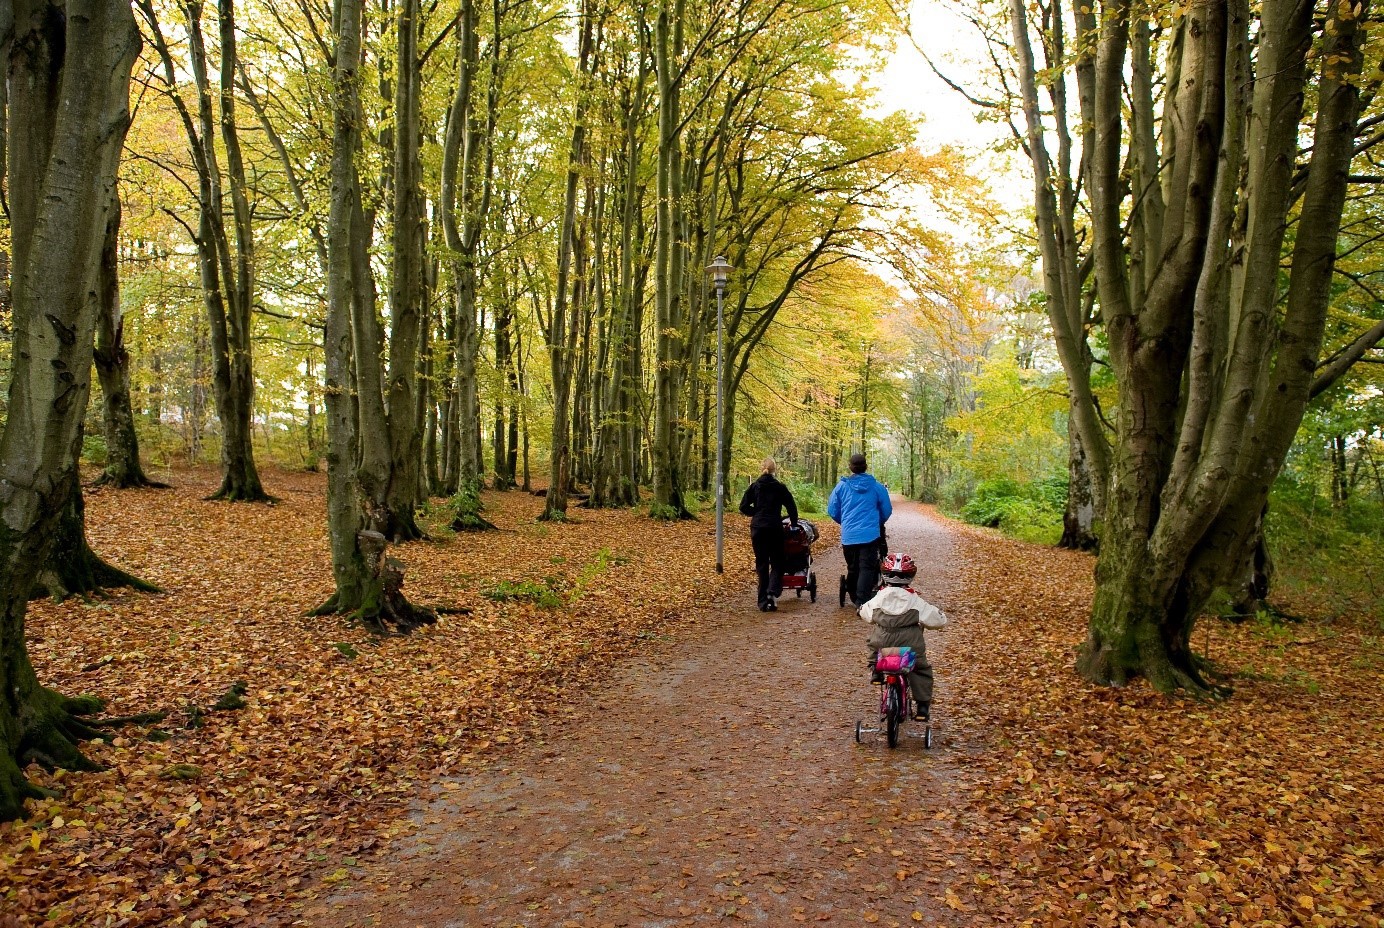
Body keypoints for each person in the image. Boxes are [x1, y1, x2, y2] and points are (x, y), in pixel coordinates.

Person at [859, 553, 947, 719]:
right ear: (911, 576)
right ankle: (922, 706)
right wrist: (941, 618)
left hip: (882, 643)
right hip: (910, 645)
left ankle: (876, 670)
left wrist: (861, 611)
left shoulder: (879, 597)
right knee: (920, 669)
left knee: (873, 644)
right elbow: (937, 621)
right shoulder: (915, 601)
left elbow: (866, 613)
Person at [827, 452, 892, 606]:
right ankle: (862, 601)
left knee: (852, 567)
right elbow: (887, 510)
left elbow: (832, 510)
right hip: (870, 535)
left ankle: (855, 597)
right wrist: (877, 522)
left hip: (849, 536)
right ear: (866, 467)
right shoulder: (877, 487)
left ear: (851, 468)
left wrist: (845, 522)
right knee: (867, 568)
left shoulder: (841, 487)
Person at [738, 458, 799, 611]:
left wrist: (756, 512)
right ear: (774, 470)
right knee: (778, 561)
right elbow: (791, 506)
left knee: (762, 564)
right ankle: (772, 591)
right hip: (774, 527)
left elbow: (743, 506)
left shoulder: (755, 487)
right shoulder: (779, 487)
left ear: (762, 469)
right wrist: (793, 523)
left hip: (758, 528)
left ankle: (762, 601)